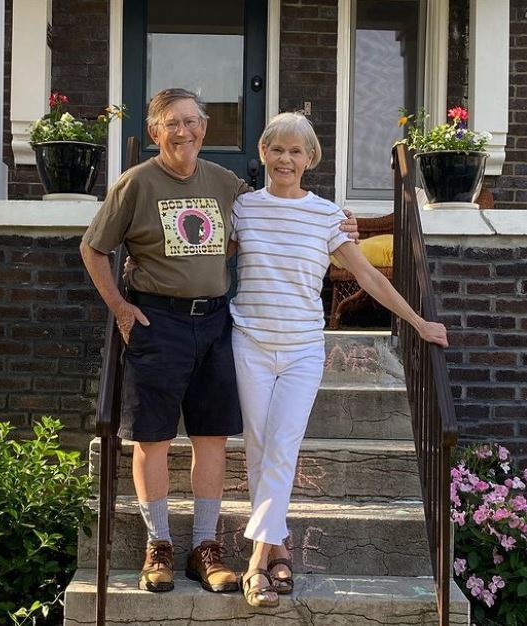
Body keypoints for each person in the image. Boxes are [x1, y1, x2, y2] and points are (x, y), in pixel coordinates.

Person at [80, 88, 360, 594]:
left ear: (205, 128)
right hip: (157, 321)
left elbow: (269, 220)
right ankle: (158, 545)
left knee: (211, 438)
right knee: (154, 439)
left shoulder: (225, 183)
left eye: (191, 121)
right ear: (154, 132)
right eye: (171, 123)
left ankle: (205, 548)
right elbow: (93, 248)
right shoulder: (135, 184)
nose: (183, 132)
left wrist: (342, 226)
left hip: (215, 323)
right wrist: (120, 308)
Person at [229, 112, 449, 608]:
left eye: (296, 151)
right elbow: (206, 254)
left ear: (311, 159)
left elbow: (370, 277)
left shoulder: (328, 216)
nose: (286, 159)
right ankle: (280, 546)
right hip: (251, 342)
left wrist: (417, 321)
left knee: (282, 446)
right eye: (277, 149)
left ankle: (255, 564)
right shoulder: (243, 208)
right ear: (263, 152)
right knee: (260, 446)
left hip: (305, 347)